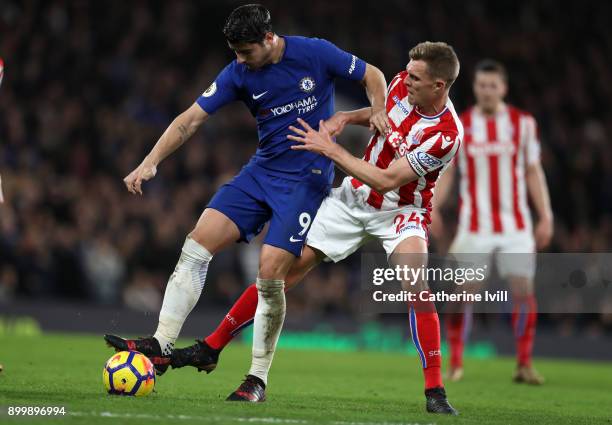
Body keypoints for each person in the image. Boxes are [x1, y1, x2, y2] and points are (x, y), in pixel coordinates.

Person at [103, 3, 388, 402]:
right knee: (197, 241)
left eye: (245, 52)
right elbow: (189, 119)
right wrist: (150, 162)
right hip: (262, 171)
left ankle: (256, 378)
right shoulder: (238, 72)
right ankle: (162, 343)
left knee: (270, 272)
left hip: (306, 179)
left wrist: (379, 109)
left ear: (269, 39)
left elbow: (372, 74)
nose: (239, 60)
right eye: (235, 52)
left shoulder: (315, 52)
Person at [170, 41, 462, 415]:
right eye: (407, 71)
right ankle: (211, 347)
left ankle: (435, 391)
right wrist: (347, 118)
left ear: (439, 86)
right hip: (354, 199)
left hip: (402, 210)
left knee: (416, 285)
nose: (405, 80)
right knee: (278, 274)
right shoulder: (402, 82)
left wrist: (331, 149)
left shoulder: (447, 134)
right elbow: (381, 113)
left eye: (416, 78)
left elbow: (388, 180)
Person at [430, 59, 553, 384]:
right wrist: (433, 208)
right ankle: (455, 362)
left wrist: (546, 216)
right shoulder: (462, 124)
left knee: (523, 291)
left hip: (515, 226)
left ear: (503, 88)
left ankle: (524, 364)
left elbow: (532, 171)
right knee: (460, 294)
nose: (487, 91)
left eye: (492, 85)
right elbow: (450, 173)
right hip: (475, 226)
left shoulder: (522, 124)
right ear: (475, 88)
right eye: (481, 85)